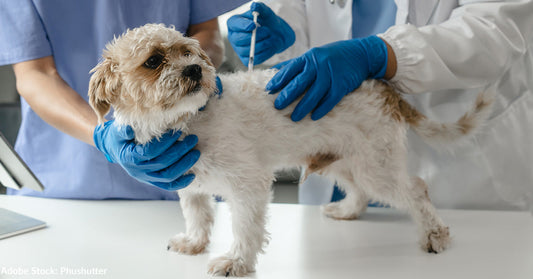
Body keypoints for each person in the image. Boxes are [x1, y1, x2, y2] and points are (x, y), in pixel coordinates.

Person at [227, 0, 533, 211]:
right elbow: (298, 19)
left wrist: (382, 54)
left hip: (459, 177)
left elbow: (496, 27)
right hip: (336, 169)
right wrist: (281, 38)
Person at [0, 0, 247, 199]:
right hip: (60, 183)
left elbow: (206, 32)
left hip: (180, 174)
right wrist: (102, 134)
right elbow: (35, 73)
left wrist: (197, 72)